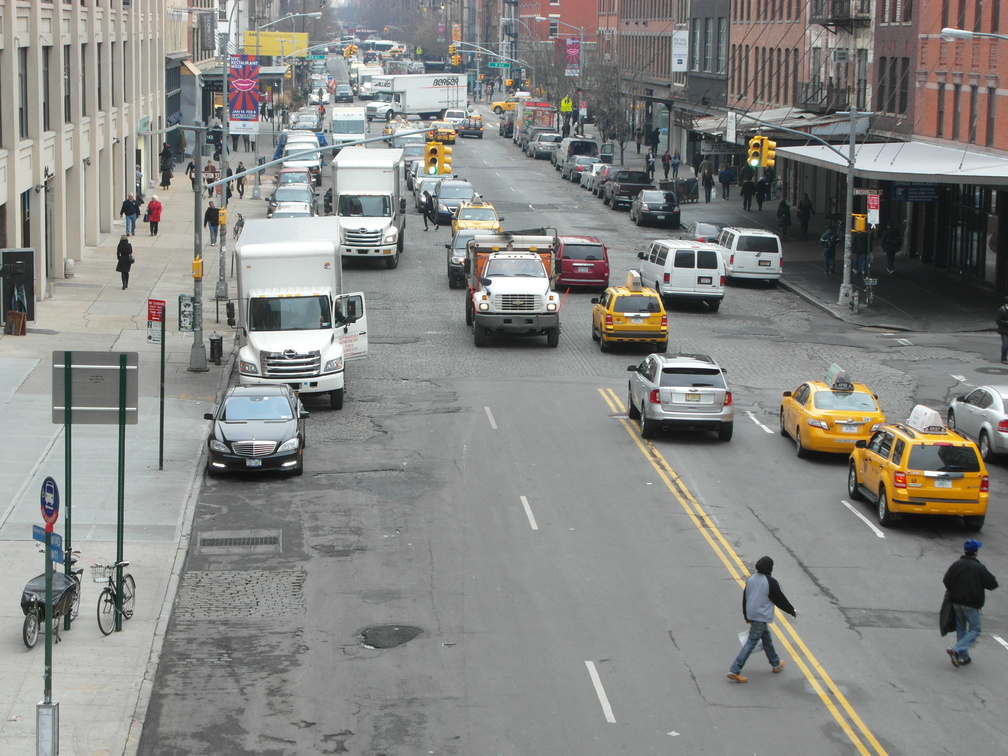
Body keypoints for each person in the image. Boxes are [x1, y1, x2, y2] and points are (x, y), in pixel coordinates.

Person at [727, 556, 796, 683]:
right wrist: (791, 611)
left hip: (752, 614)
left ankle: (775, 664)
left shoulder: (751, 579)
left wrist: (746, 615)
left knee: (767, 639)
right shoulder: (770, 582)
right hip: (761, 616)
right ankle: (734, 670)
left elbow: (745, 597)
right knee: (751, 643)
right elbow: (779, 599)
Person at [943, 540, 998, 667]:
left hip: (956, 602)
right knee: (975, 629)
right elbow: (992, 584)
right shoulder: (979, 567)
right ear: (976, 552)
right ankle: (956, 649)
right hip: (971, 604)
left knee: (961, 628)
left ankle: (964, 657)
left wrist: (955, 591)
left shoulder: (956, 564)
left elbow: (947, 580)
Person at [996, 296, 1008, 364]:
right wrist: (1006, 322)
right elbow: (998, 320)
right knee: (1005, 344)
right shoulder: (1001, 310)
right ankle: (1004, 358)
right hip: (1004, 330)